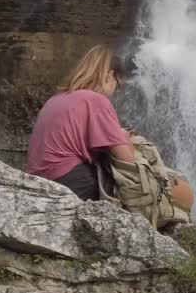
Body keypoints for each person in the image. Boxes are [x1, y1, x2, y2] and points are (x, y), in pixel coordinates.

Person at [26, 45, 137, 201]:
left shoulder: (56, 98)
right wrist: (123, 137)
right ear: (110, 76)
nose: (115, 93)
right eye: (118, 86)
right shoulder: (97, 100)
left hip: (37, 181)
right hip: (71, 180)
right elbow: (128, 162)